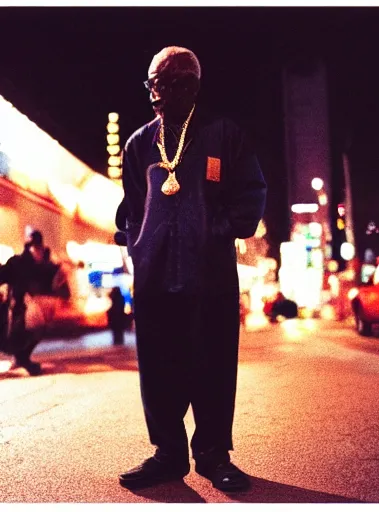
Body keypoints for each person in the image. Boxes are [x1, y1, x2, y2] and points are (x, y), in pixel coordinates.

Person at [114, 46, 267, 492]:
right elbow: (130, 207)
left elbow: (251, 192)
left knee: (213, 363)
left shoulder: (224, 136)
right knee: (159, 366)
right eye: (152, 85)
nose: (156, 94)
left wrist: (219, 230)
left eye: (164, 84)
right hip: (155, 276)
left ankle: (213, 455)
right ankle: (168, 454)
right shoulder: (139, 144)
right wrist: (137, 245)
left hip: (211, 275)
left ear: (190, 85)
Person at [0, 230, 61, 375]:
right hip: (16, 309)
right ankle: (20, 358)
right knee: (14, 334)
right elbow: (3, 275)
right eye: (35, 248)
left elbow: (52, 279)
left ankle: (22, 358)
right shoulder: (18, 263)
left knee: (34, 330)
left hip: (29, 310)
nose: (38, 251)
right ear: (30, 248)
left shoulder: (42, 265)